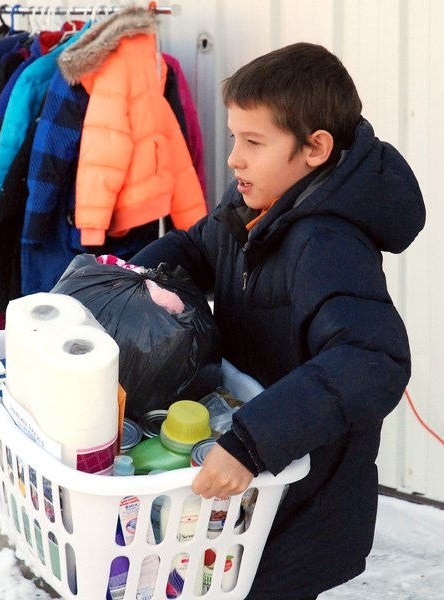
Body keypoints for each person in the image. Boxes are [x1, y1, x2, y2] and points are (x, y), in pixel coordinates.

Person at [131, 42, 426, 599]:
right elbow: (197, 250)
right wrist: (120, 284)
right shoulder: (255, 203)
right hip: (256, 492)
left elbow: (371, 358)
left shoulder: (327, 242)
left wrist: (250, 443)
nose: (233, 157)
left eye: (253, 142)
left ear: (315, 148)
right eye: (235, 137)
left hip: (304, 502)